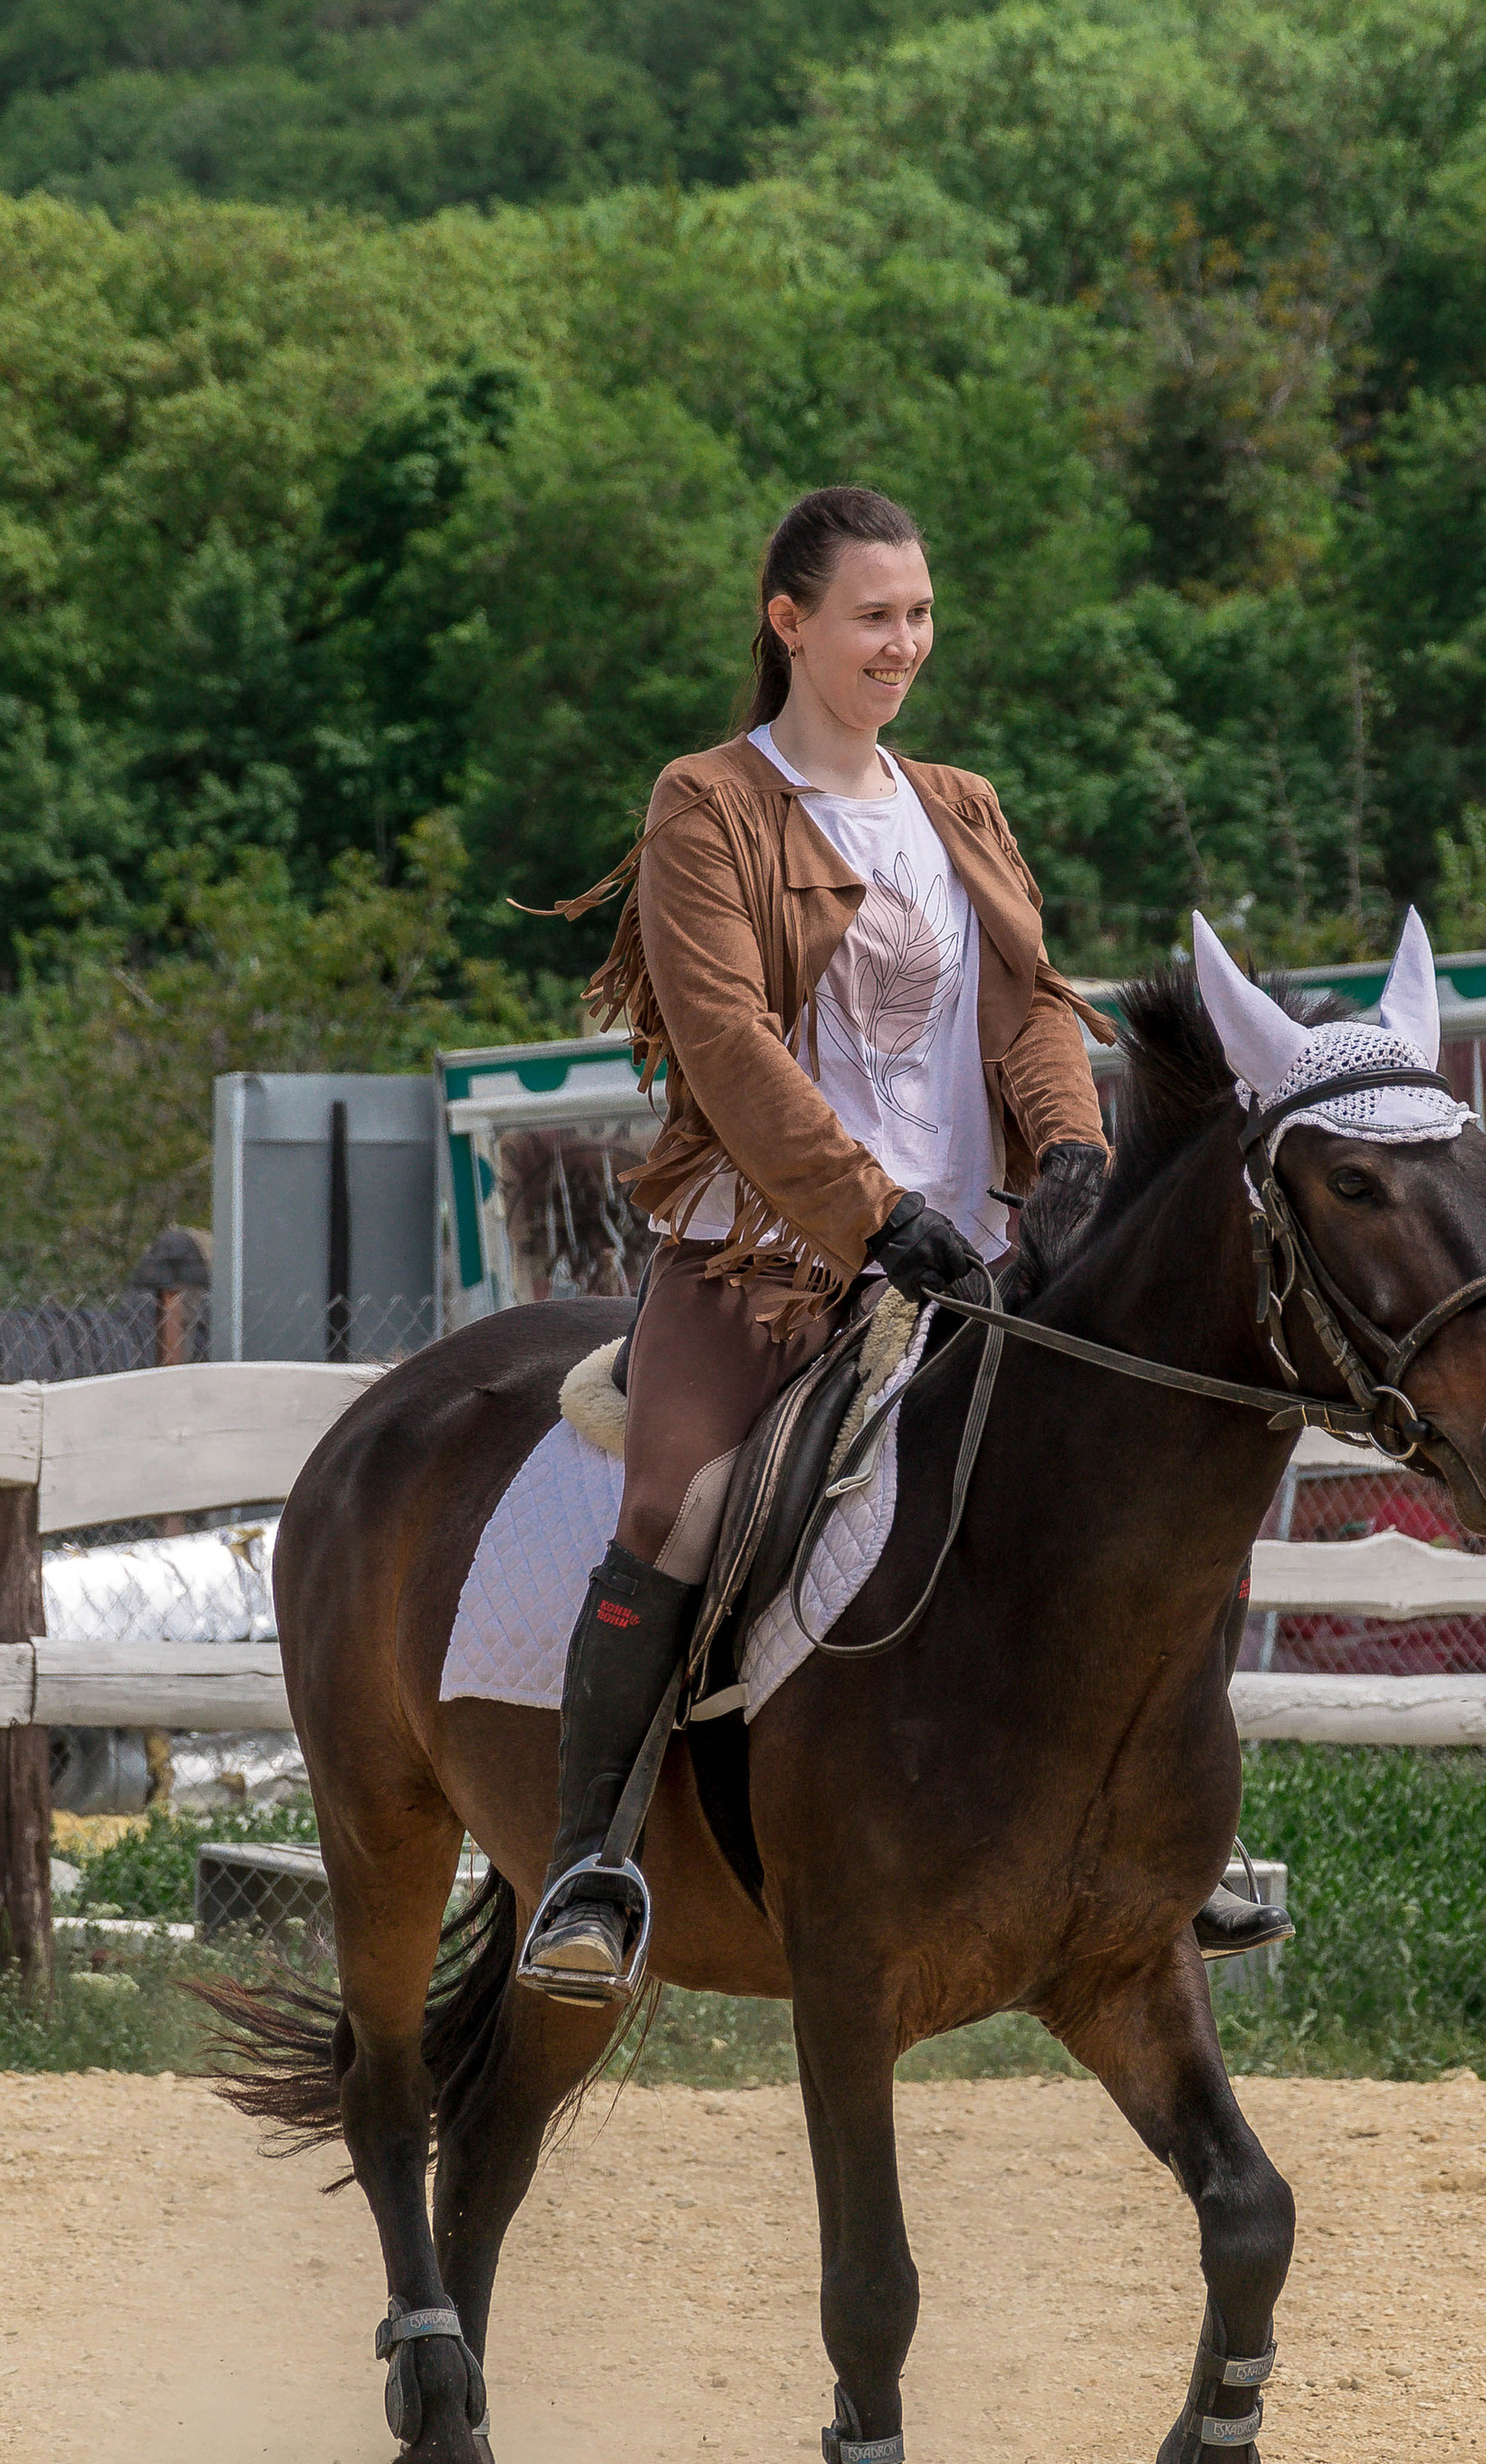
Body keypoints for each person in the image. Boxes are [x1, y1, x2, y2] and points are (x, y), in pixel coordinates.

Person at [522, 484, 1286, 1993]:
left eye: (920, 615)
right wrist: (874, 1215)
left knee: (1140, 1482)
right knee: (680, 1502)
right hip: (770, 1267)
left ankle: (1166, 1838)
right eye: (875, 617)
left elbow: (1028, 1010)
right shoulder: (708, 804)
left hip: (976, 1269)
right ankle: (591, 1865)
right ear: (788, 620)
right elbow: (729, 1047)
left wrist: (1070, 1151)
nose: (904, 644)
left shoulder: (962, 807)